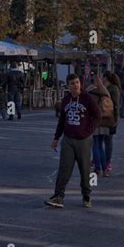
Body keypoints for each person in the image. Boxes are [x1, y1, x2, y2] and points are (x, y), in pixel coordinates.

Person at [45, 73, 100, 209]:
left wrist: (89, 130)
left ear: (80, 83)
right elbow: (61, 121)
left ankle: (86, 196)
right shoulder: (66, 100)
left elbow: (97, 115)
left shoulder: (87, 98)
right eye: (72, 83)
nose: (75, 85)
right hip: (68, 139)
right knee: (64, 168)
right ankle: (58, 196)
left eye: (77, 82)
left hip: (83, 140)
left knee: (85, 169)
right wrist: (56, 138)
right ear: (68, 86)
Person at [88, 74, 116, 177]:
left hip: (95, 122)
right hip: (105, 122)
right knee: (101, 145)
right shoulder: (105, 91)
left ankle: (98, 169)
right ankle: (105, 170)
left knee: (95, 145)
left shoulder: (90, 91)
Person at [103, 71, 121, 174]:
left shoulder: (113, 89)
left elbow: (116, 105)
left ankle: (107, 161)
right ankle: (104, 160)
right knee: (105, 139)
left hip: (110, 118)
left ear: (105, 78)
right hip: (106, 118)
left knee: (108, 140)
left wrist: (116, 118)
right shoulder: (109, 88)